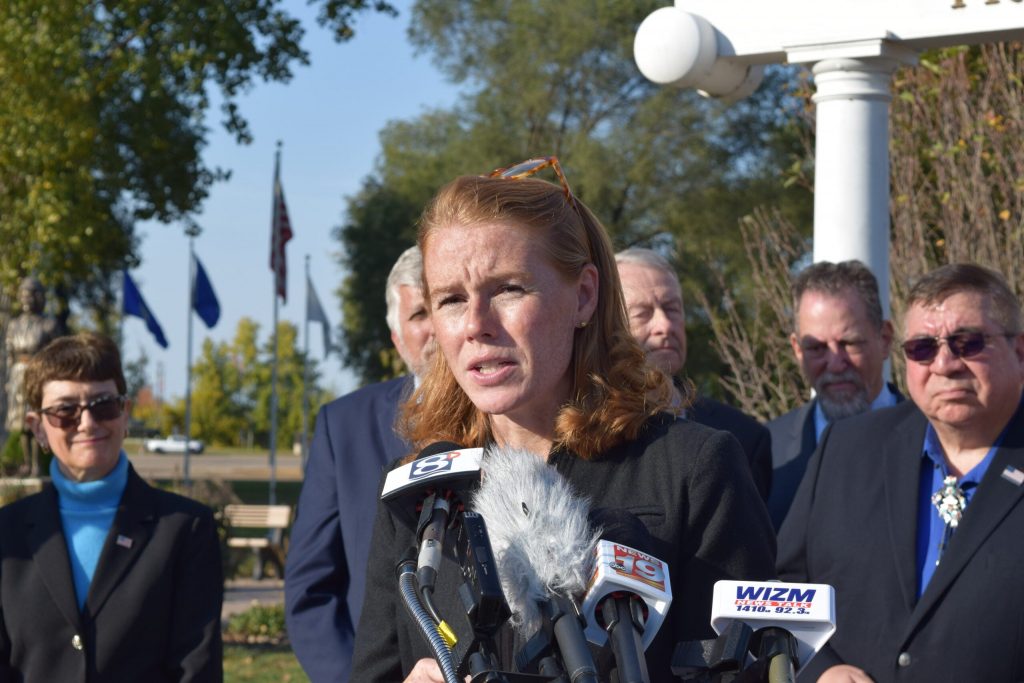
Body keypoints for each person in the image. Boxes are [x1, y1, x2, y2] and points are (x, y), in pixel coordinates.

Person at [350, 157, 776, 682]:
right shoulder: (415, 495)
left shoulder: (694, 469)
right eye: (452, 299)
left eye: (508, 289)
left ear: (584, 295)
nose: (477, 326)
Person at [778, 263, 1024, 682]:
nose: (945, 364)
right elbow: (781, 588)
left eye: (968, 342)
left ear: (1018, 351)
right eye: (923, 348)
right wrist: (820, 668)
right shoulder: (845, 450)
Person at [0, 332, 223, 681]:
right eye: (65, 411)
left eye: (102, 405)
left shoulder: (184, 529)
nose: (87, 423)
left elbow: (195, 669)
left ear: (124, 412)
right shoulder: (6, 533)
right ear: (37, 428)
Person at [285, 245, 436, 682]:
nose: (434, 330)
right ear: (396, 336)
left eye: (447, 305)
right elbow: (310, 588)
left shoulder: (513, 416)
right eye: (418, 314)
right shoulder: (344, 425)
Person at [616, 247, 773, 501]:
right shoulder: (578, 430)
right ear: (607, 324)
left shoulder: (744, 437)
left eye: (672, 308)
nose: (665, 325)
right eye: (643, 313)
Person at [767, 260, 900, 529]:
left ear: (884, 339)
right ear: (796, 348)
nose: (835, 363)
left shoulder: (933, 439)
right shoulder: (766, 450)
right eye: (816, 348)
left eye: (849, 343)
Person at [5, 276, 60, 475]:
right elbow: (9, 354)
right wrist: (9, 382)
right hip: (18, 376)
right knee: (19, 421)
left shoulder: (48, 325)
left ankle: (38, 464)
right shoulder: (14, 325)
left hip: (40, 375)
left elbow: (57, 354)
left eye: (31, 295)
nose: (27, 299)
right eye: (24, 295)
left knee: (37, 418)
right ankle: (26, 463)